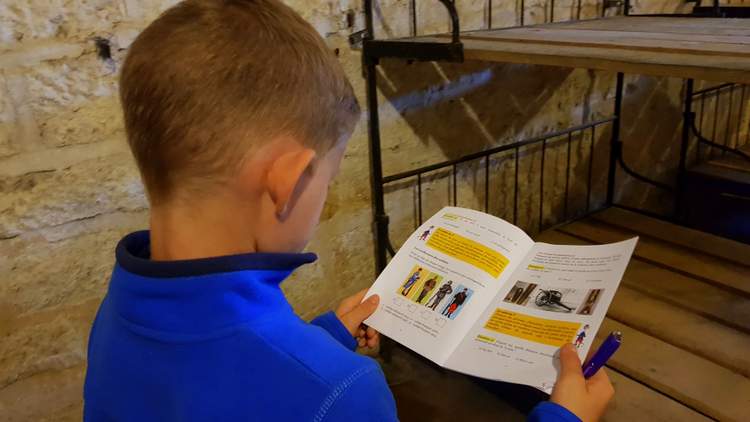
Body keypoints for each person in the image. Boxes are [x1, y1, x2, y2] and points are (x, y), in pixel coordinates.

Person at [83, 1, 614, 421]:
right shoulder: (342, 394)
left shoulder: (118, 312)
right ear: (286, 185)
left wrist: (320, 339)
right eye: (328, 181)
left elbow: (223, 379)